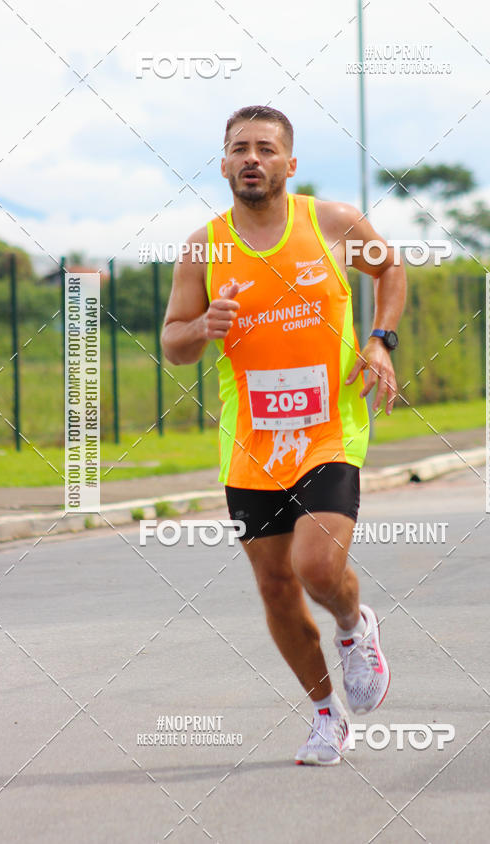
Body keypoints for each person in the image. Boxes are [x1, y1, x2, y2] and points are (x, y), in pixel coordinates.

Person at [162, 105, 406, 765]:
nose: (252, 158)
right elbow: (173, 344)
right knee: (275, 586)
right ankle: (326, 714)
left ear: (288, 164)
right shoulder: (202, 247)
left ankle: (355, 628)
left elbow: (389, 270)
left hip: (330, 429)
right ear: (222, 164)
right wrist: (203, 326)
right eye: (239, 147)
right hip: (251, 443)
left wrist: (380, 341)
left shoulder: (331, 223)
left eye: (265, 148)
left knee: (317, 566)